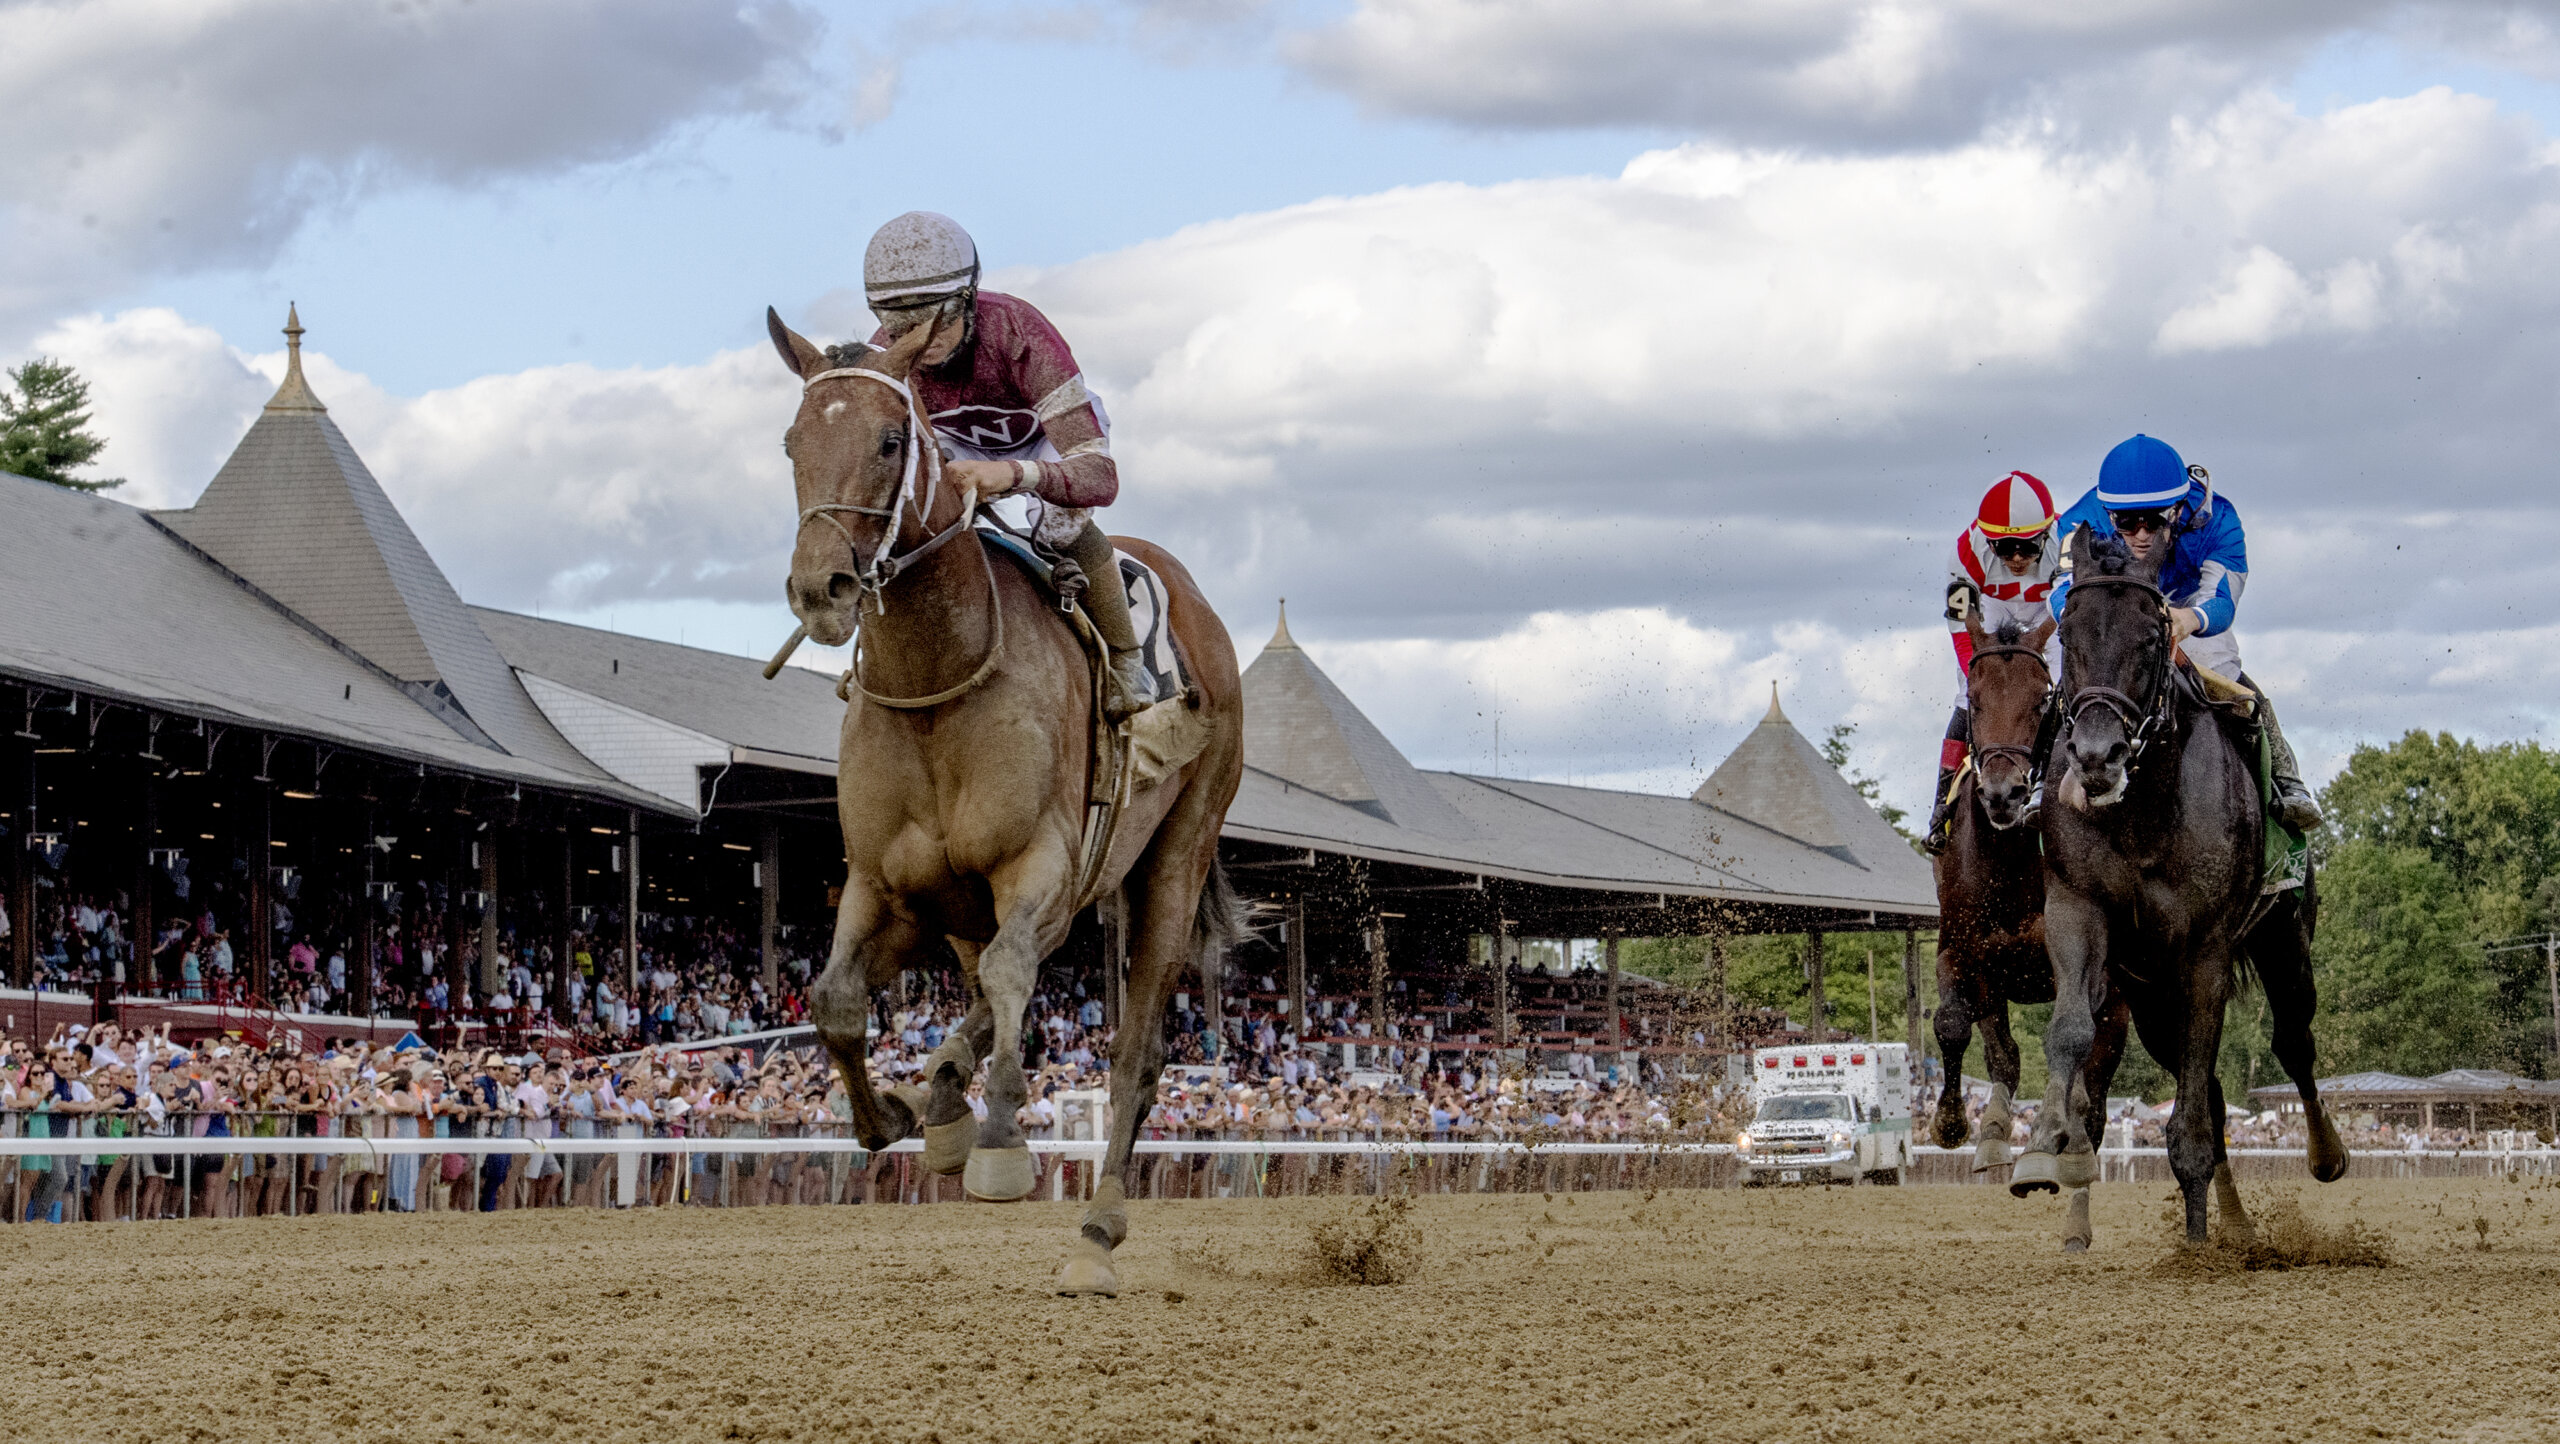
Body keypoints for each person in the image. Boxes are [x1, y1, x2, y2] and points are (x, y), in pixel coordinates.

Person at [857, 210, 1154, 720]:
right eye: (899, 324)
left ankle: (1127, 661)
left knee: (1061, 524)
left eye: (938, 319)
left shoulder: (1020, 332)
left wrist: (1015, 475)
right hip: (955, 443)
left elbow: (1100, 480)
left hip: (1045, 437)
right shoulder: (882, 357)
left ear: (969, 298)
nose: (922, 341)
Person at [2048, 434, 2321, 829]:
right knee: (2079, 670)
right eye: (2127, 522)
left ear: (2177, 508)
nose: (2141, 534)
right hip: (2114, 606)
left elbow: (2222, 602)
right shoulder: (2078, 523)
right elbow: (2059, 594)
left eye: (2155, 520)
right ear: (2108, 513)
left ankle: (2285, 781)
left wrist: (2186, 619)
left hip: (2188, 603)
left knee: (2222, 670)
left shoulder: (2220, 520)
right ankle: (2041, 779)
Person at [1924, 471, 2059, 853]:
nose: (2017, 558)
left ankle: (2049, 779)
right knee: (1968, 698)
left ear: (2046, 535)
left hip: (2052, 613)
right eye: (2005, 548)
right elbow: (1960, 626)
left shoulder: (2066, 544)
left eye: (2028, 547)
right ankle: (1941, 809)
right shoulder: (1966, 552)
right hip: (1992, 614)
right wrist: (1976, 672)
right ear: (1988, 541)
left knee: (2066, 691)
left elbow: (2075, 613)